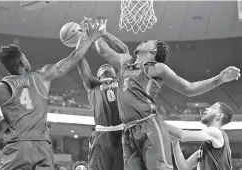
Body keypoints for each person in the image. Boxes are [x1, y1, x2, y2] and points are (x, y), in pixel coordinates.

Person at [89, 17, 240, 170]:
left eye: (148, 41)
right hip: (128, 130)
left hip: (149, 125)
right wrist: (96, 34)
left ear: (153, 51)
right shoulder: (126, 63)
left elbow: (189, 88)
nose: (143, 41)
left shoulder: (156, 68)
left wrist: (219, 79)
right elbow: (103, 50)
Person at [0, 19, 104, 170]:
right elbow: (73, 59)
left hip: (16, 151)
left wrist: (8, 119)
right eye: (25, 57)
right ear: (22, 62)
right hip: (42, 150)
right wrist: (90, 38)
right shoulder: (42, 76)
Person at [77, 29, 124, 170]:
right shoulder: (92, 85)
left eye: (108, 65)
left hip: (121, 134)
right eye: (102, 67)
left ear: (115, 73)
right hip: (101, 135)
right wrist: (81, 39)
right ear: (97, 77)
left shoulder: (122, 81)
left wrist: (103, 34)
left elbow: (122, 54)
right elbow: (79, 59)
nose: (105, 66)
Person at [168, 102, 233, 170]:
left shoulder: (215, 132)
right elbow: (184, 168)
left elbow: (183, 135)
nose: (206, 108)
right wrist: (175, 143)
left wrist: (160, 123)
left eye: (213, 107)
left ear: (219, 115)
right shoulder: (207, 150)